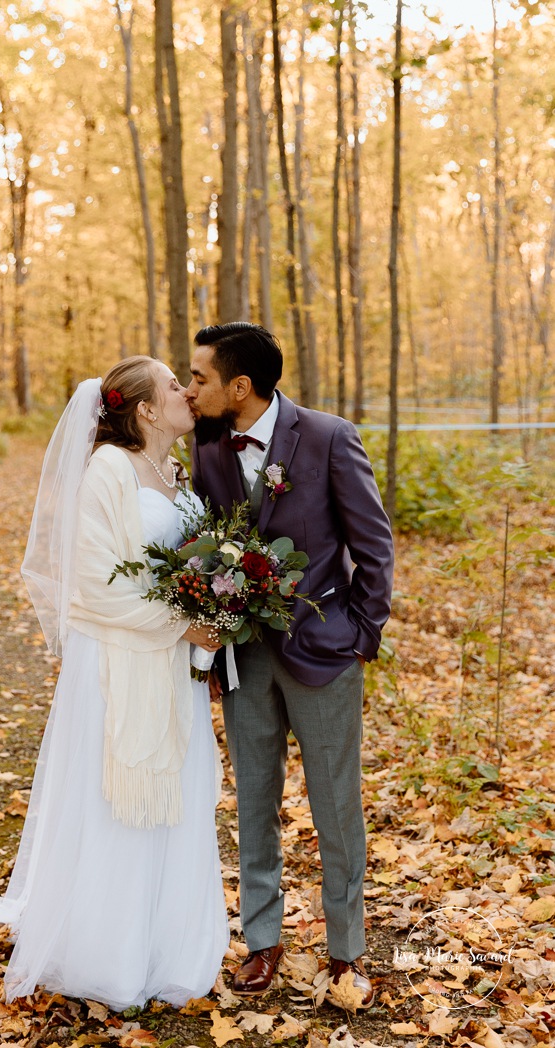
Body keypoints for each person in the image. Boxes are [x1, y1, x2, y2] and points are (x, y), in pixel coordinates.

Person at [0, 357, 229, 1010]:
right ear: (145, 410)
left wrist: (215, 610)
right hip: (117, 662)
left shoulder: (176, 475)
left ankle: (167, 947)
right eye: (174, 384)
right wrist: (184, 623)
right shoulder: (107, 471)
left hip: (169, 664)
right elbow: (93, 587)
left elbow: (186, 567)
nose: (186, 391)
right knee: (117, 803)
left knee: (180, 791)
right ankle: (107, 954)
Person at [186, 323, 394, 1007]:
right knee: (253, 801)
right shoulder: (209, 446)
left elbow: (372, 543)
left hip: (326, 652)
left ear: (239, 387)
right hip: (244, 657)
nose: (192, 390)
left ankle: (345, 951)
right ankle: (263, 940)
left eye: (200, 377)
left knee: (336, 806)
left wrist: (361, 633)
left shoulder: (329, 437)